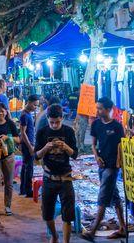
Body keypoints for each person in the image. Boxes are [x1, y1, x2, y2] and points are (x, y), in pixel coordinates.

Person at [81, 97, 127, 241]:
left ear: (108, 109)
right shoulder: (96, 125)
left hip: (112, 167)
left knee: (102, 197)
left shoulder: (117, 127)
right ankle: (123, 228)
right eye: (97, 107)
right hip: (102, 165)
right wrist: (96, 156)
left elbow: (123, 147)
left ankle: (92, 231)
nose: (98, 110)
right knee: (114, 196)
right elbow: (94, 144)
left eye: (100, 108)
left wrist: (121, 165)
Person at [35, 104, 79, 243]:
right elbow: (36, 156)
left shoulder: (68, 131)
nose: (54, 125)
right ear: (47, 119)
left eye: (57, 122)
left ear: (62, 118)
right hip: (49, 178)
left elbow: (75, 155)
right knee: (47, 214)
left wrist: (66, 147)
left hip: (66, 177)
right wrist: (45, 149)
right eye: (51, 122)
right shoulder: (42, 132)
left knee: (68, 215)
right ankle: (54, 235)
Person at [18, 94, 39, 197]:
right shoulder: (24, 115)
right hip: (28, 145)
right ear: (29, 102)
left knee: (25, 166)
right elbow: (23, 132)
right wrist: (30, 147)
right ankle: (28, 190)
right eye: (35, 105)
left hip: (28, 144)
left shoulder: (28, 114)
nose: (36, 107)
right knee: (28, 168)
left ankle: (23, 189)